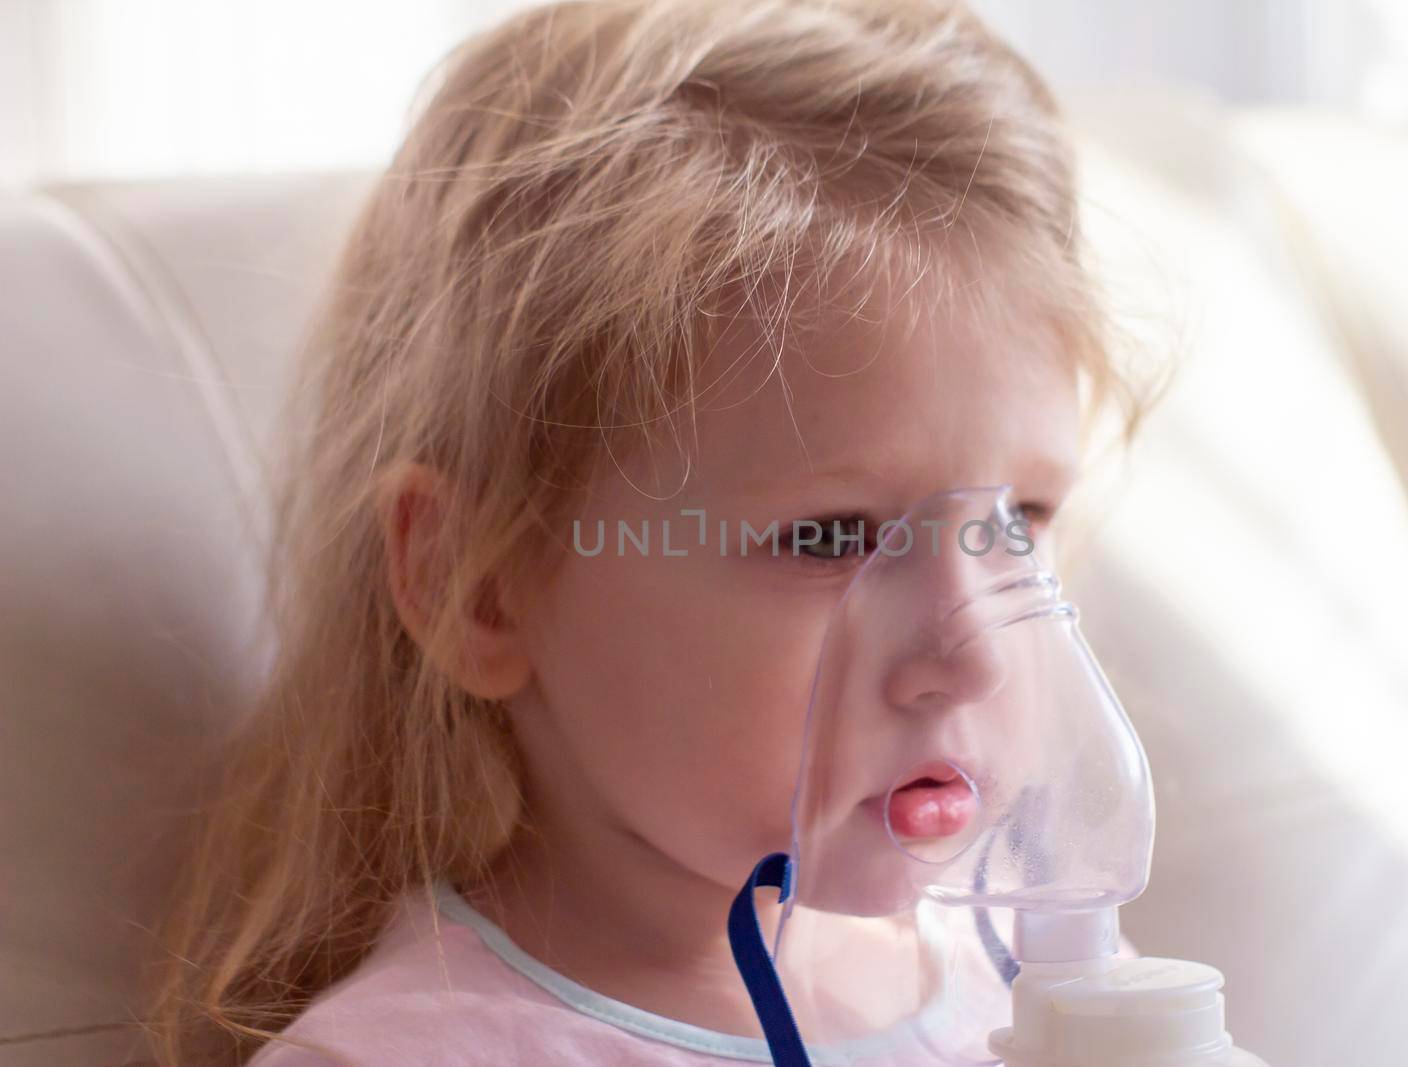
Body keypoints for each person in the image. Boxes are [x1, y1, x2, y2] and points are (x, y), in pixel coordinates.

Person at [143, 0, 1159, 1062]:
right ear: (475, 585)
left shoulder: (1029, 977)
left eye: (1018, 521)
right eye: (831, 536)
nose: (977, 652)